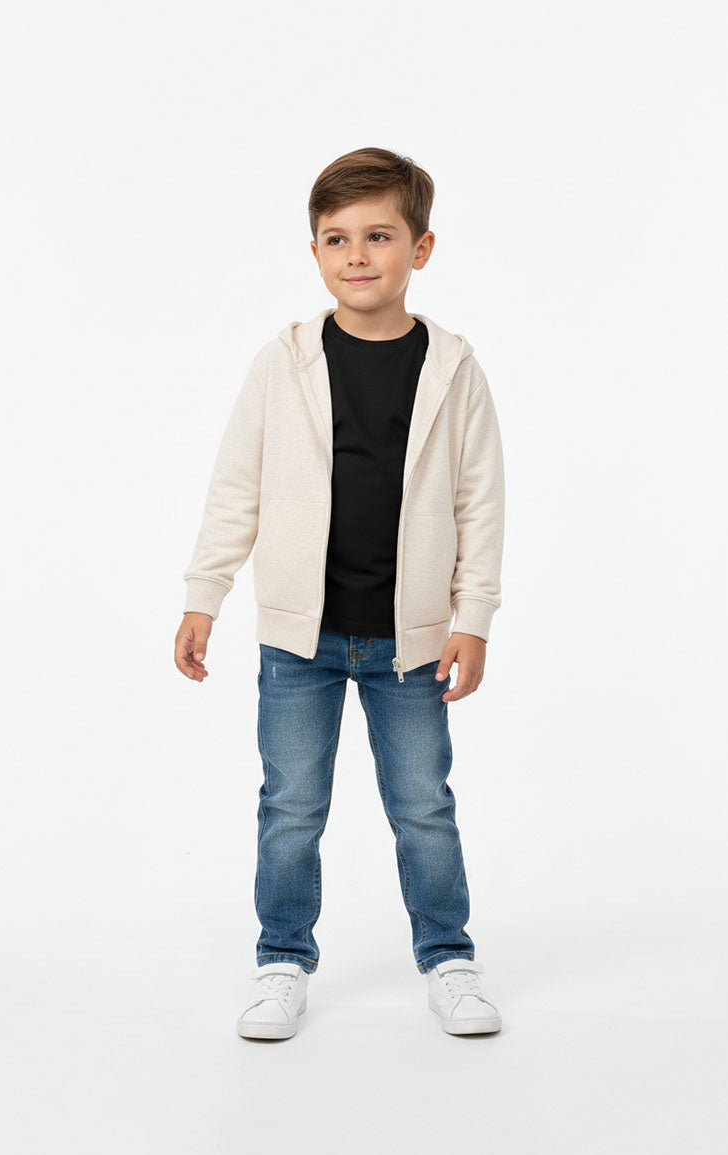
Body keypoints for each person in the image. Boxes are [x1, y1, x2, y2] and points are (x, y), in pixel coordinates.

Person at [174, 147, 506, 1040]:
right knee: (291, 804)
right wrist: (205, 594)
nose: (357, 255)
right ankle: (282, 959)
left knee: (423, 804)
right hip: (299, 640)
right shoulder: (282, 363)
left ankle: (449, 957)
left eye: (379, 236)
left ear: (421, 248)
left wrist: (474, 617)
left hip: (410, 641)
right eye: (337, 238)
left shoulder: (454, 368)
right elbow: (236, 487)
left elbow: (480, 500)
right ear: (315, 251)